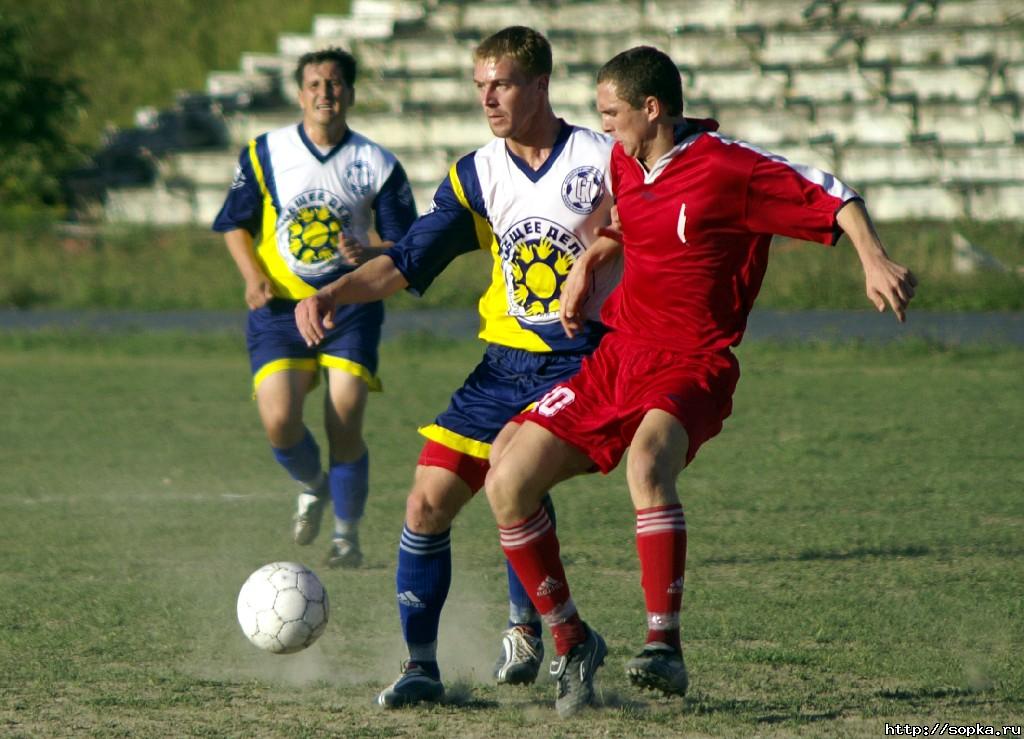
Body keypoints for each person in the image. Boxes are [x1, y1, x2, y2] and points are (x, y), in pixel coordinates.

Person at [483, 45, 918, 718]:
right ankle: (572, 640)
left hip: (693, 359)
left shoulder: (727, 168)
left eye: (611, 113)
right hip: (618, 356)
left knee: (648, 463)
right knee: (505, 478)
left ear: (650, 109)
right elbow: (631, 218)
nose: (603, 126)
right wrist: (594, 256)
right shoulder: (625, 159)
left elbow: (829, 192)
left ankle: (665, 646)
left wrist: (874, 258)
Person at [293, 26, 620, 708]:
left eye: (500, 84)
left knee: (511, 473)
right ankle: (422, 665)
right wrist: (332, 290)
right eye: (480, 87)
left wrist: (603, 255)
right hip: (500, 366)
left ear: (539, 85)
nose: (488, 99)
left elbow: (653, 224)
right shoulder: (478, 173)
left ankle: (558, 636)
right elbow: (407, 261)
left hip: (581, 361)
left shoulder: (604, 158)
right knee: (425, 501)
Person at [212, 48, 418, 568]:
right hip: (281, 308)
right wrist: (253, 277)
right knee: (280, 420)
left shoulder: (376, 163)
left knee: (344, 417)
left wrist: (368, 252)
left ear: (349, 92)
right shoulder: (264, 153)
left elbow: (407, 245)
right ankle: (313, 483)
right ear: (300, 93)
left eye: (334, 83)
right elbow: (234, 222)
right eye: (314, 84)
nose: (325, 92)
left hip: (349, 307)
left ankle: (346, 537)